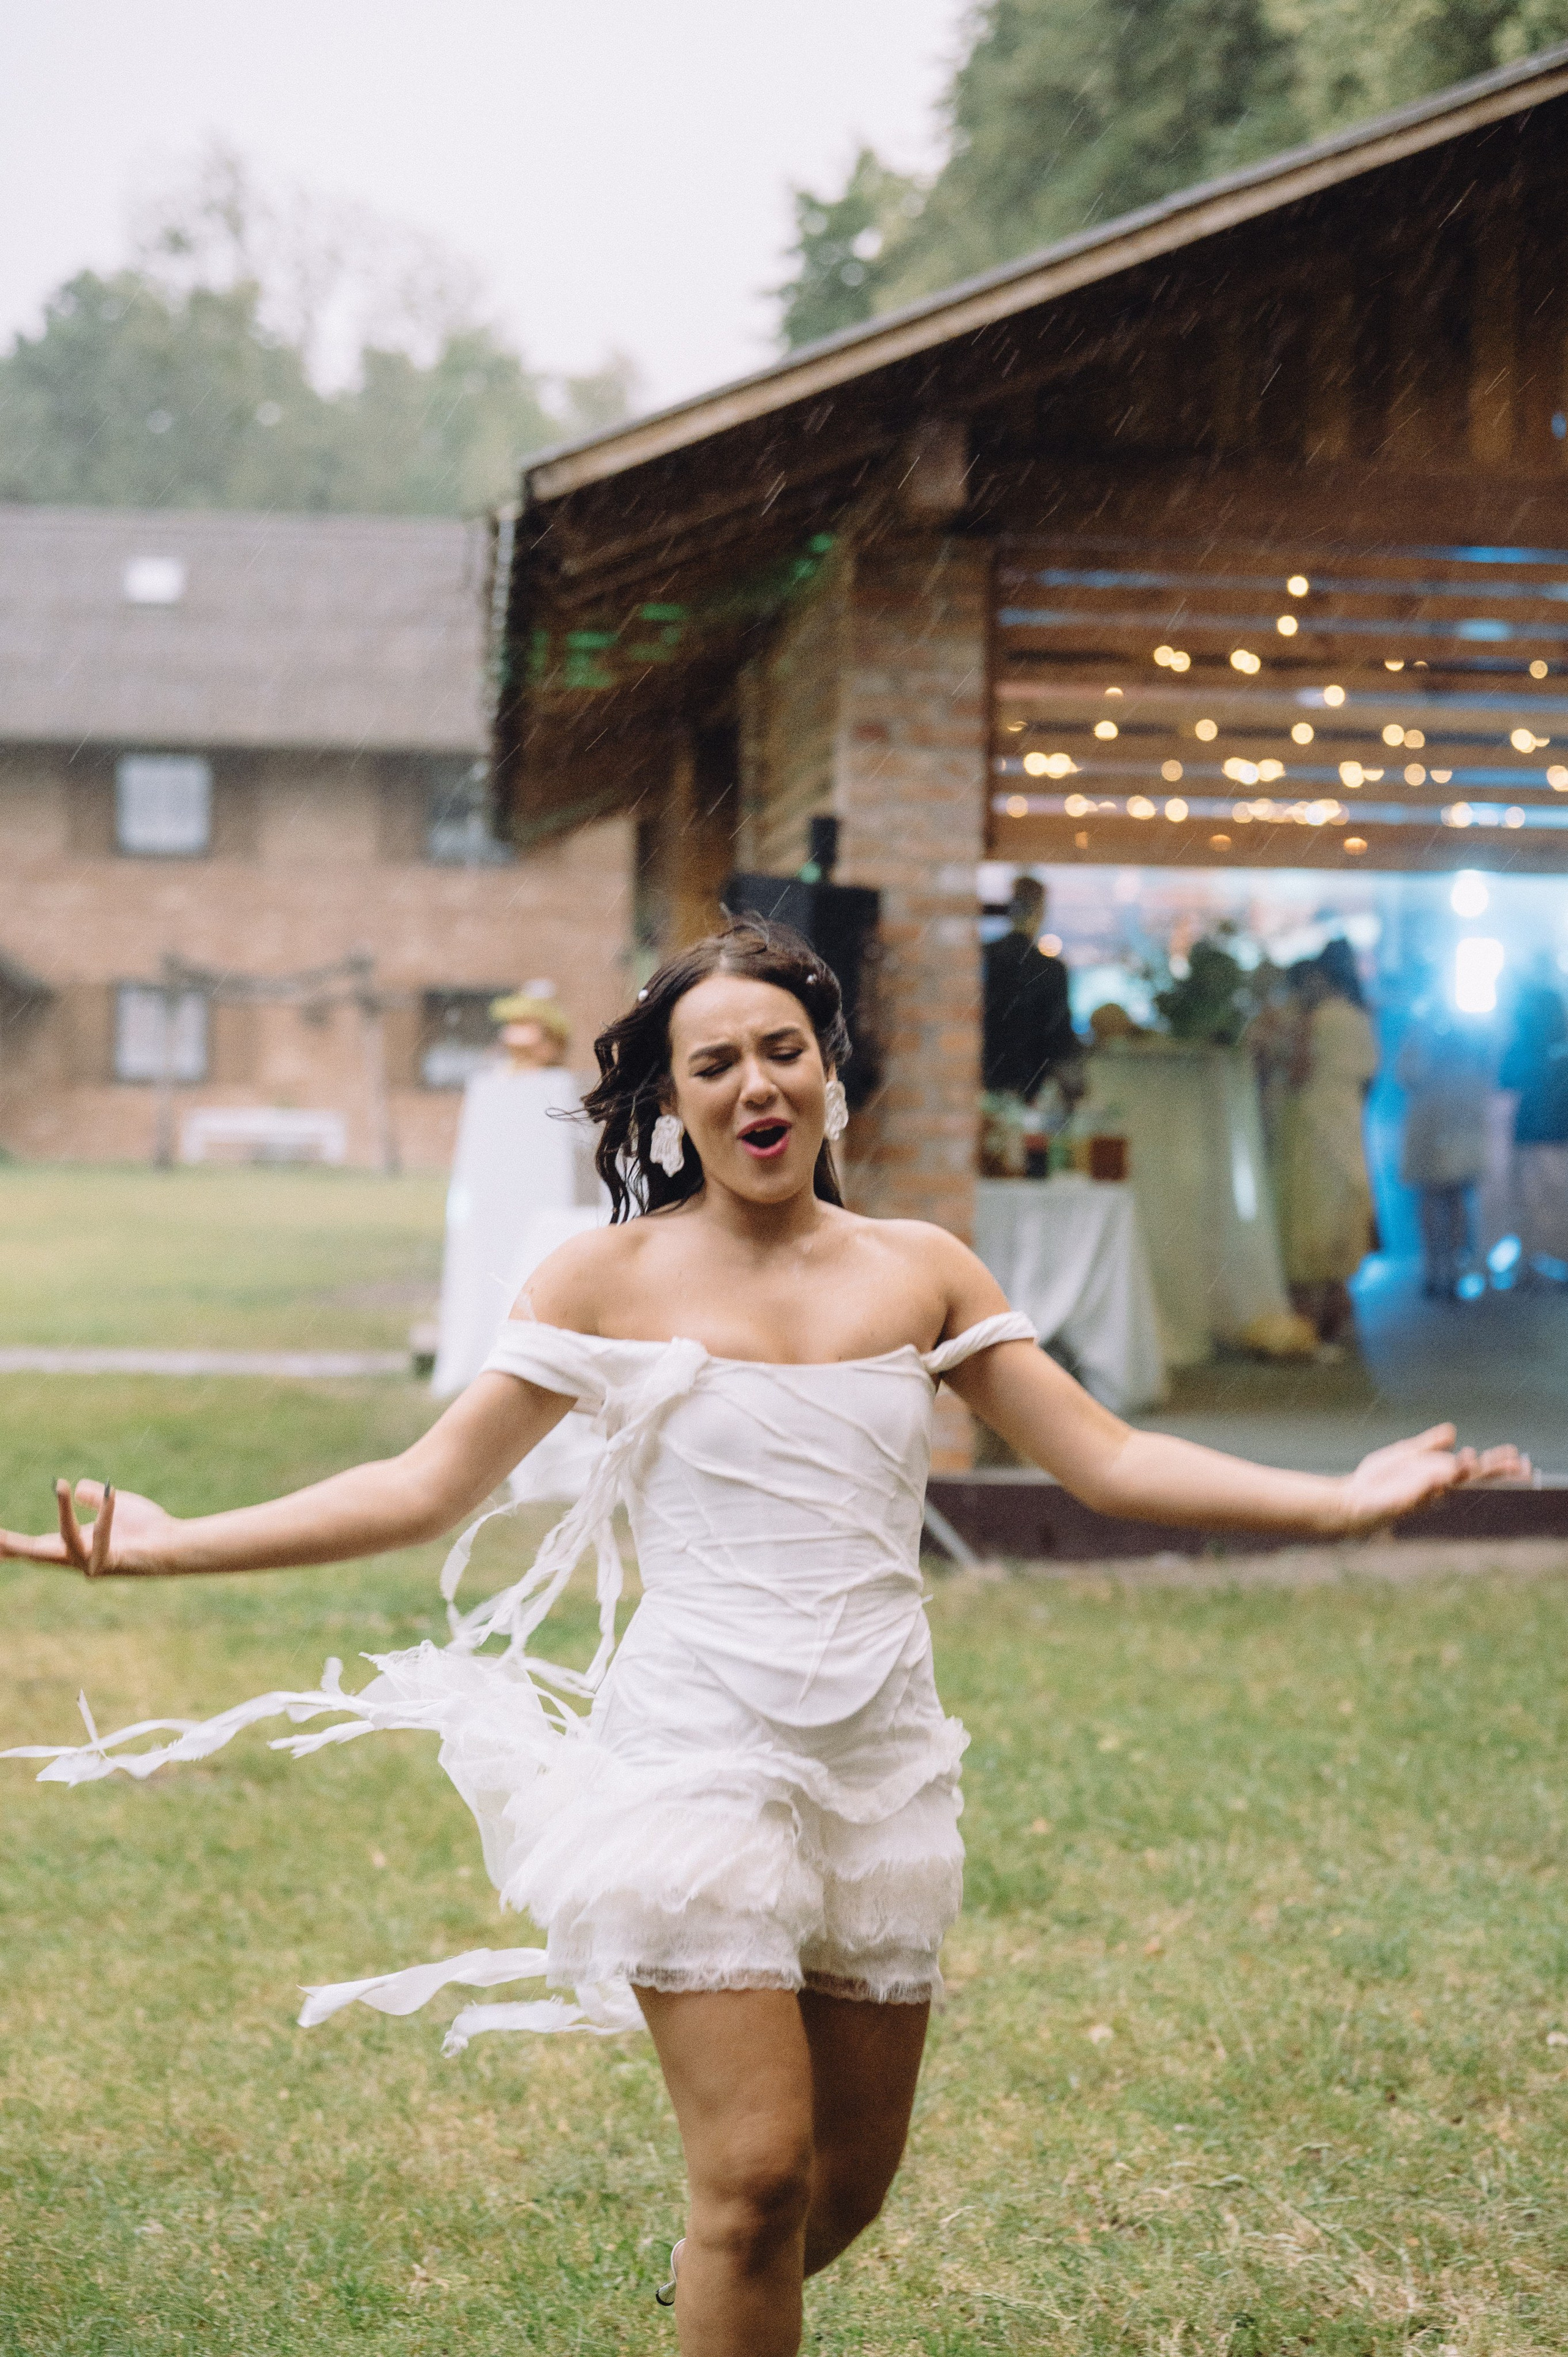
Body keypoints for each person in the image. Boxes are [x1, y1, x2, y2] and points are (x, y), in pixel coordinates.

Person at [2, 919, 1523, 2357]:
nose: (753, 1082)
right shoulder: (602, 1280)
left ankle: (709, 2294)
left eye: (779, 1047)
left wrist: (1339, 1501)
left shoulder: (919, 1267)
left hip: (877, 1755)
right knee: (752, 2174)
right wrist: (164, 1542)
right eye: (713, 1060)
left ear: (829, 1071)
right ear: (669, 1102)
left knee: (837, 2191)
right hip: (696, 1752)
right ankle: (722, 2266)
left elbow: (1108, 1460)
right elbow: (420, 1484)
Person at [1273, 941, 1379, 1348]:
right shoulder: (1360, 1018)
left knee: (1306, 1223)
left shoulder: (1314, 1021)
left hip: (1311, 1129)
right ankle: (1335, 1325)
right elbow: (1370, 1078)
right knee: (1343, 1221)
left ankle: (1310, 1328)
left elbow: (1299, 1074)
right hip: (1348, 1127)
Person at [1396, 994, 1496, 1297]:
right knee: (1440, 1199)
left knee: (1447, 1199)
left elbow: (1407, 1074)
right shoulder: (1429, 1033)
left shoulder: (1469, 1034)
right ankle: (1438, 1269)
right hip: (1439, 1127)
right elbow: (1408, 1073)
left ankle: (1447, 1269)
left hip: (1450, 1127)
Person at [982, 874, 1085, 1104]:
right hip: (1029, 1086)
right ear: (1040, 912)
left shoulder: (984, 957)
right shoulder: (1051, 969)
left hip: (978, 1079)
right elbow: (1059, 1037)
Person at [1499, 961, 1568, 1273]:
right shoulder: (1553, 1043)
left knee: (1535, 1201)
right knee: (1552, 1199)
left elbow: (1507, 1077)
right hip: (1553, 1129)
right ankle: (1541, 1261)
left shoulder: (1525, 1041)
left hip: (1535, 1130)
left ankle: (1534, 1262)